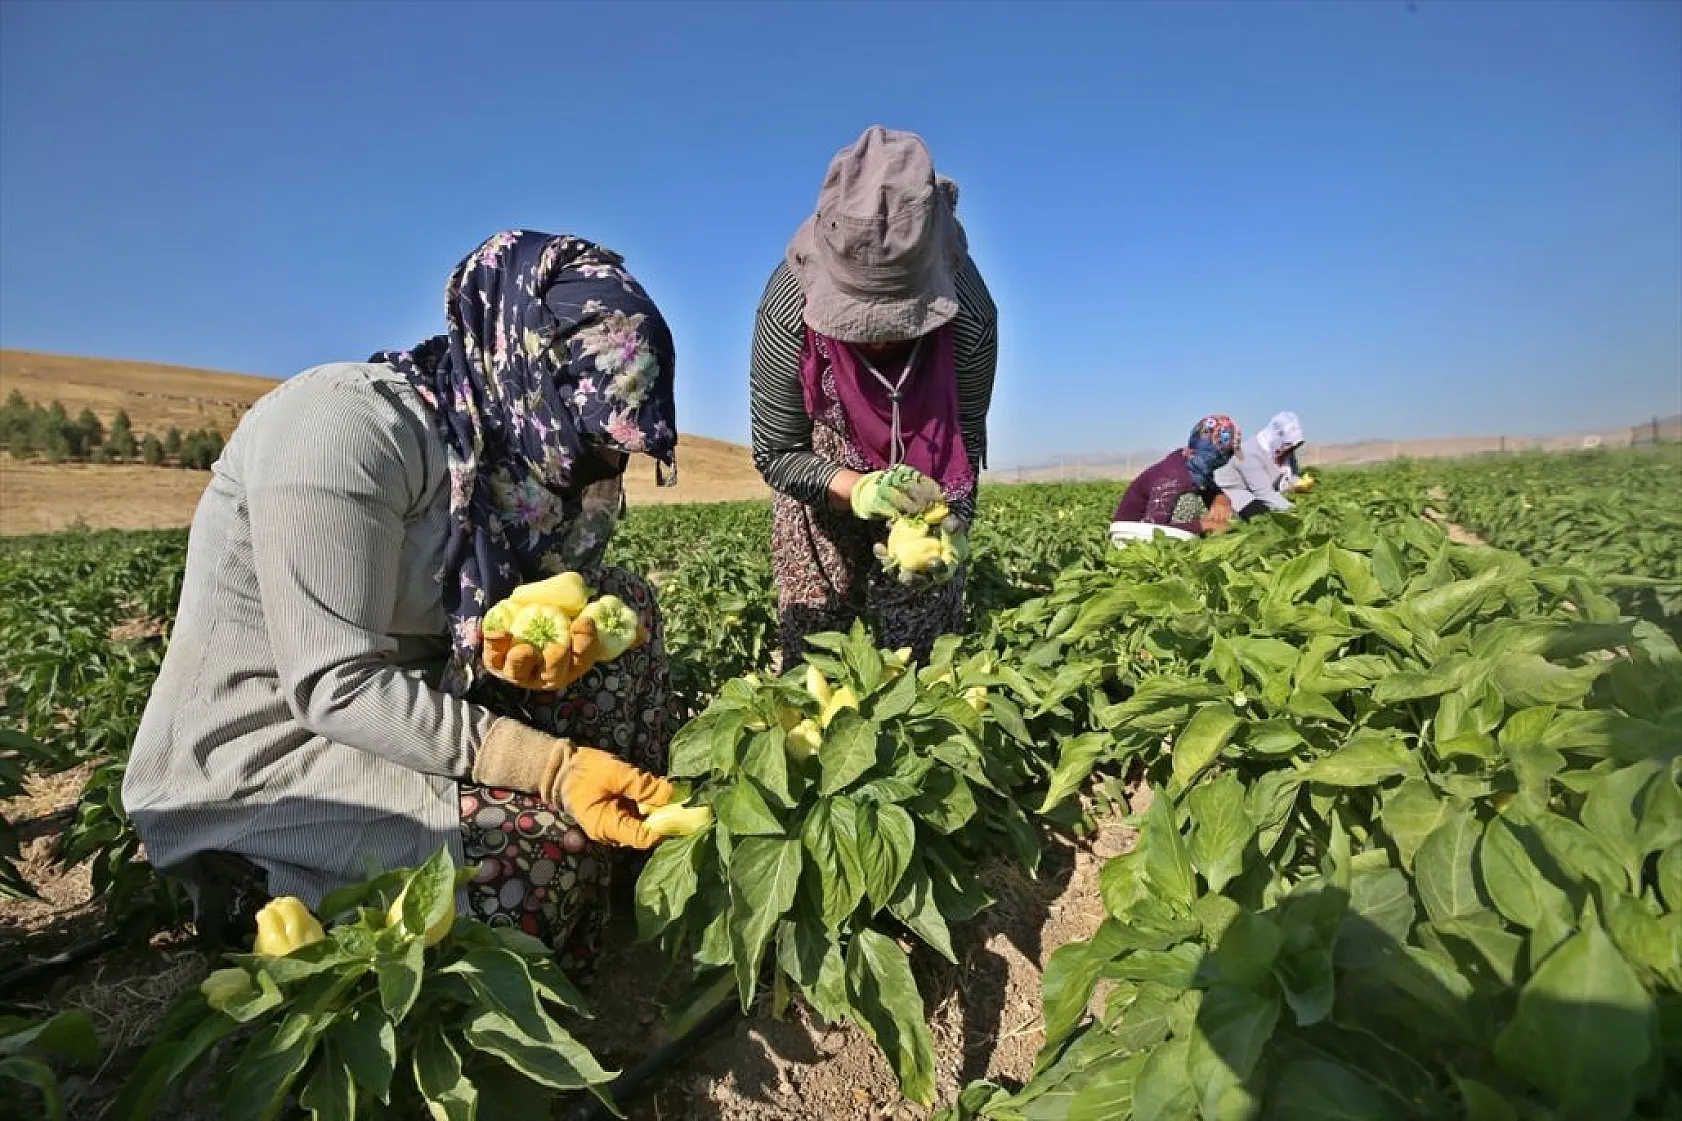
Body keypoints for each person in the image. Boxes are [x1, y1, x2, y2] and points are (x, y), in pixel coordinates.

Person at [122, 229, 683, 971]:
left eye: (620, 445)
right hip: (277, 749)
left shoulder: (503, 468)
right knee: (543, 859)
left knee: (624, 609)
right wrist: (549, 767)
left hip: (421, 706)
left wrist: (516, 652)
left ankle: (635, 841)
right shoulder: (341, 430)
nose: (606, 463)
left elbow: (476, 621)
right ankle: (247, 881)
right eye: (591, 437)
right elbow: (334, 684)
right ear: (524, 376)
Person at [750, 125, 998, 662]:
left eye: (900, 316)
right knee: (817, 637)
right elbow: (776, 450)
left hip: (926, 484)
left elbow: (965, 436)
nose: (878, 335)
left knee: (921, 649)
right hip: (823, 469)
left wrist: (953, 522)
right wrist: (856, 489)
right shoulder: (789, 306)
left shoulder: (970, 318)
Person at [1109, 415, 1242, 542]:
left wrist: (1221, 499)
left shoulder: (1193, 464)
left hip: (1152, 533)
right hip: (1130, 538)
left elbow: (1209, 488)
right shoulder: (1172, 478)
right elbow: (1154, 528)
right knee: (1189, 501)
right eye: (1228, 454)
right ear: (1216, 453)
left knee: (1225, 512)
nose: (1227, 460)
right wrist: (1203, 526)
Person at [1215, 410, 1309, 518]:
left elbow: (1292, 477)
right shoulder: (1248, 453)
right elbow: (1264, 493)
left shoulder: (1286, 451)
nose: (1290, 450)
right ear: (1276, 437)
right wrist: (1298, 512)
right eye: (1287, 445)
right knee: (1264, 517)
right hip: (1234, 495)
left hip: (1261, 492)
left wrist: (1301, 485)